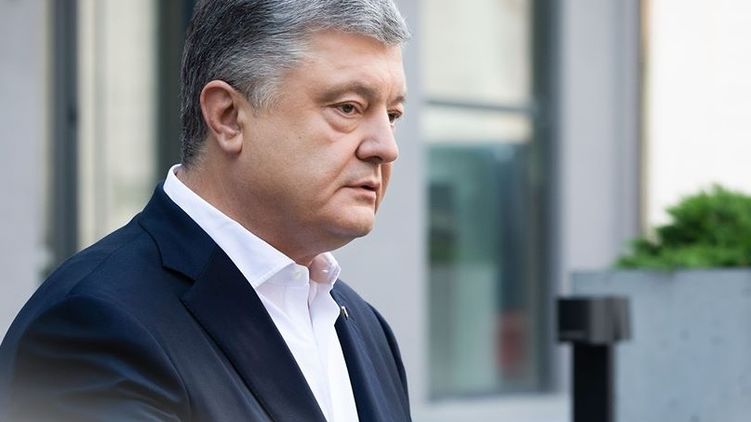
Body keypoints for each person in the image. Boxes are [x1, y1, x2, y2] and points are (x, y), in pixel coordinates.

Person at [0, 0, 411, 420]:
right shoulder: (93, 328)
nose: (386, 147)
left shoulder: (365, 330)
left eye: (393, 114)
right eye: (348, 108)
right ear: (227, 116)